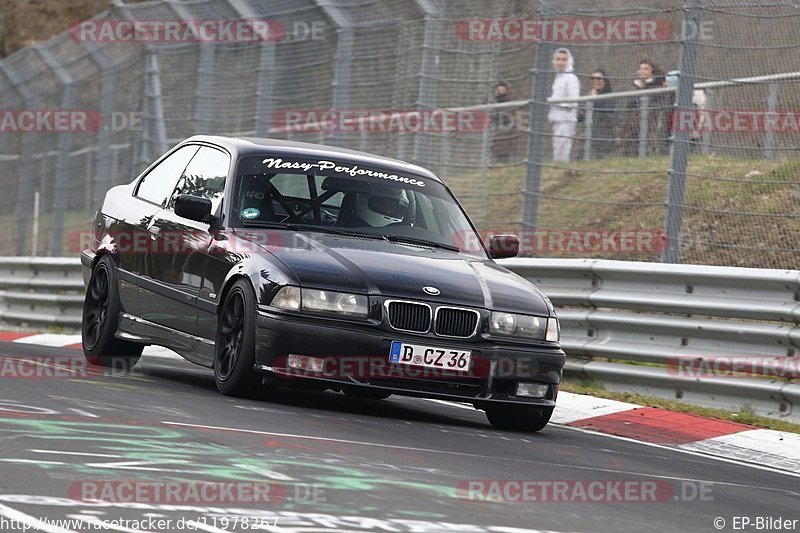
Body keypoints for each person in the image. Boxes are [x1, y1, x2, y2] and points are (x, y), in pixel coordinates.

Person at [618, 59, 670, 156]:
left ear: (652, 73)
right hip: (632, 125)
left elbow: (657, 105)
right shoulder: (634, 88)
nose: (642, 71)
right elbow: (629, 107)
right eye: (641, 68)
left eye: (646, 69)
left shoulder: (657, 88)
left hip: (651, 124)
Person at [547, 48, 580, 164]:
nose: (560, 62)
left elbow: (573, 101)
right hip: (557, 119)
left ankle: (561, 170)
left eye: (564, 60)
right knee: (557, 148)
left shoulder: (571, 78)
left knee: (564, 149)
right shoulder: (558, 78)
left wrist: (555, 102)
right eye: (558, 59)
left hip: (566, 119)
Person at [579, 69, 615, 159]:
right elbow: (580, 117)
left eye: (599, 79)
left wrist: (593, 99)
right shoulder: (589, 95)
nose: (596, 81)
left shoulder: (610, 96)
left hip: (604, 136)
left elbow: (606, 111)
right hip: (588, 134)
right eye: (593, 79)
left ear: (604, 81)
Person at [489, 81, 520, 163]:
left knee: (509, 147)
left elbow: (511, 115)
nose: (501, 92)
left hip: (509, 127)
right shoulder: (494, 101)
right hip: (498, 127)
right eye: (499, 90)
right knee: (498, 147)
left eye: (502, 90)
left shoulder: (511, 101)